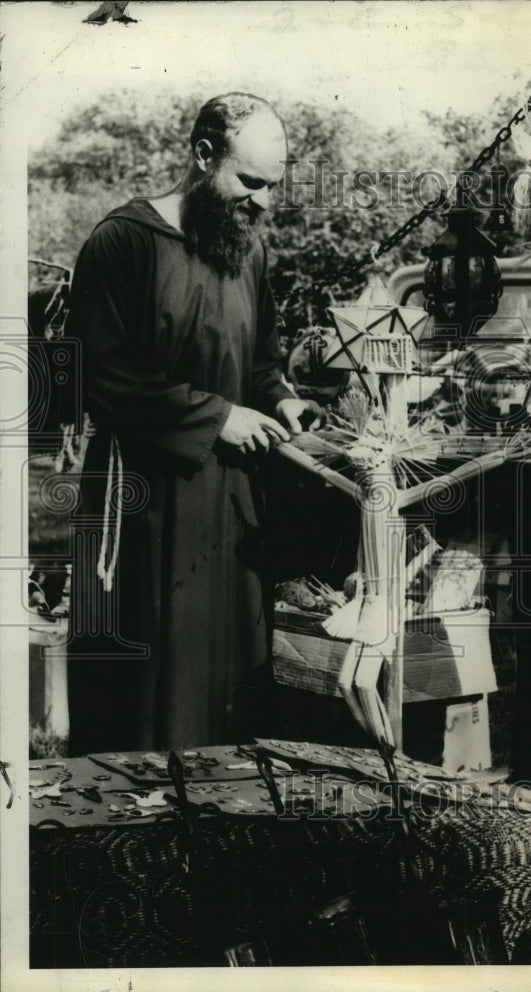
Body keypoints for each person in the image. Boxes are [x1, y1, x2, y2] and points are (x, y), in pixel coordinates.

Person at [66, 93, 322, 754]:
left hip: (232, 502)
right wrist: (217, 418)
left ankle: (224, 827)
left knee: (232, 680)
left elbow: (260, 357)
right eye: (250, 182)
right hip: (145, 504)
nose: (263, 202)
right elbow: (102, 376)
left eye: (272, 186)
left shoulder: (247, 248)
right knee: (151, 685)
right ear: (202, 155)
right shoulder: (121, 243)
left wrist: (281, 397)